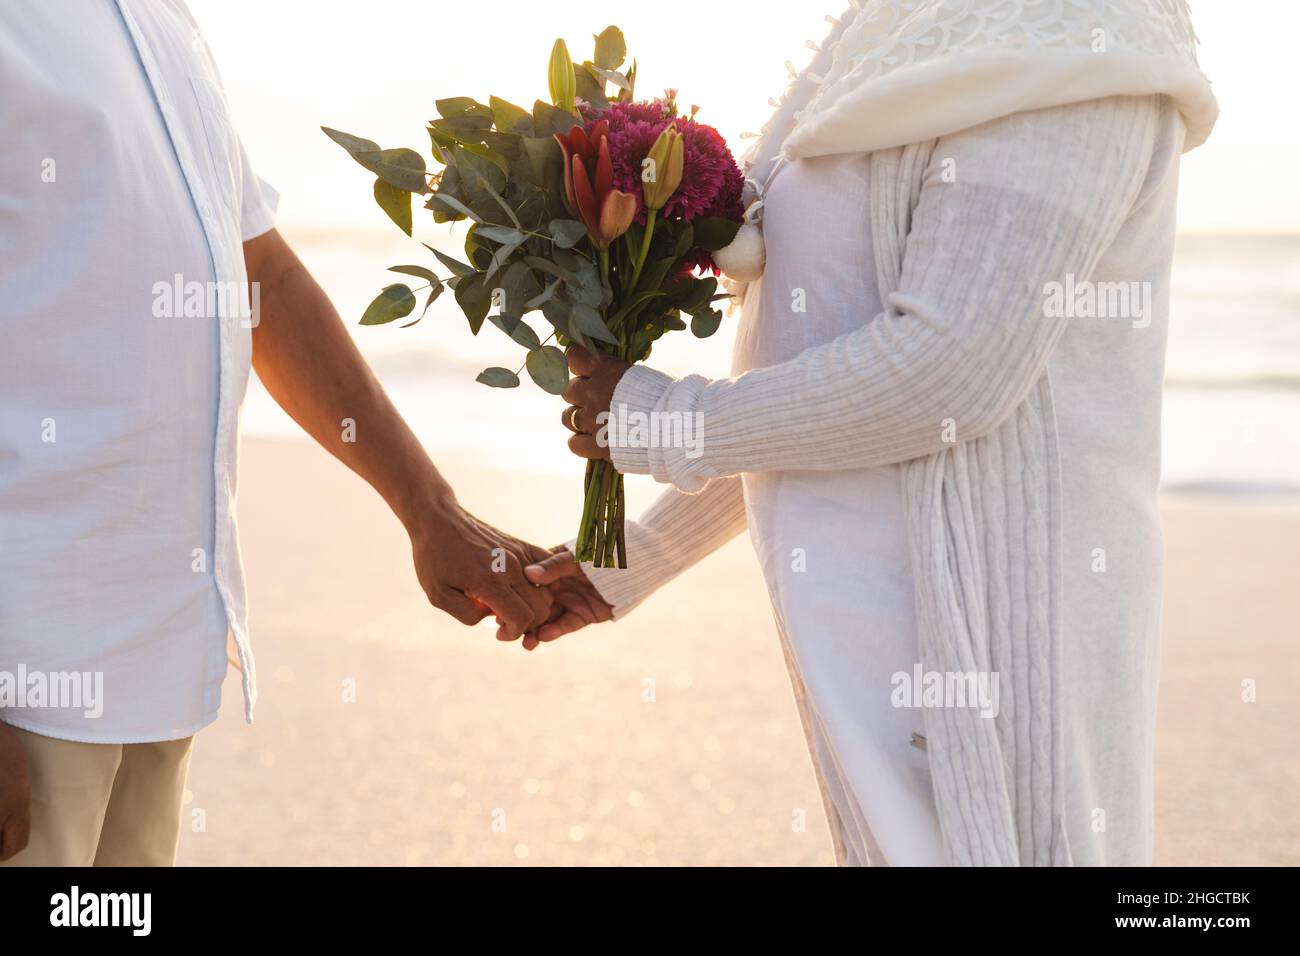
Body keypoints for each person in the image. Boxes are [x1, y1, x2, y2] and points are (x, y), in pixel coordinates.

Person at [533, 0, 1219, 865]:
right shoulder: (886, 28)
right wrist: (634, 558)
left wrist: (663, 418)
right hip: (853, 629)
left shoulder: (1081, 32)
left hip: (992, 623)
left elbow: (950, 367)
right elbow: (816, 370)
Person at [0, 0, 609, 866]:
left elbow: (264, 278)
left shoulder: (161, 18)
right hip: (28, 676)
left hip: (161, 662)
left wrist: (427, 507)